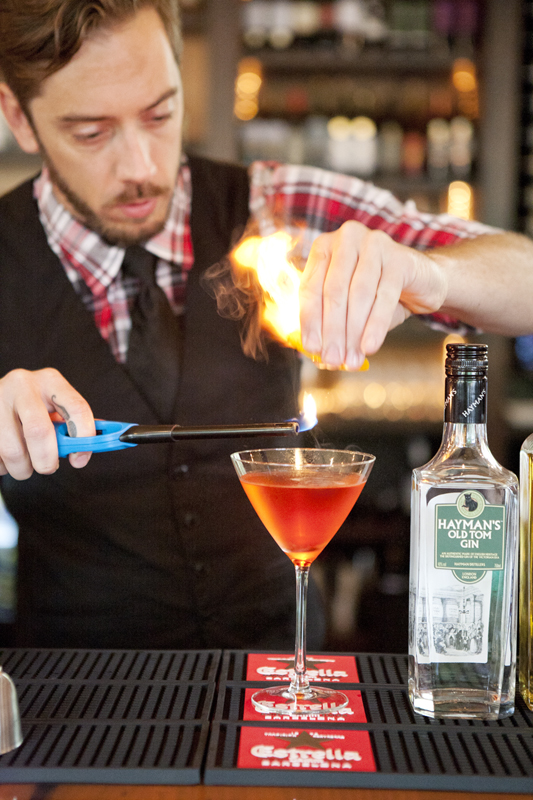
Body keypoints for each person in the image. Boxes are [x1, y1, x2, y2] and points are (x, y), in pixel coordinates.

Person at [0, 0, 532, 650]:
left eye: (160, 114)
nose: (140, 165)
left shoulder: (275, 206)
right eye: (91, 132)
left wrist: (432, 274)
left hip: (275, 672)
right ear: (18, 117)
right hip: (71, 686)